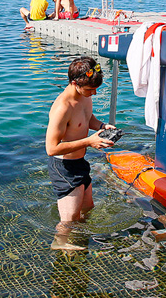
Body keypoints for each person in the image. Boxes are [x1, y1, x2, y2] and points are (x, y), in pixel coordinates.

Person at [45, 56, 117, 250]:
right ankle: (59, 246)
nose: (93, 94)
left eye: (95, 89)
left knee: (87, 210)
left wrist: (101, 126)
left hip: (80, 163)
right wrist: (89, 141)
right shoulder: (62, 107)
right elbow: (51, 149)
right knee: (69, 220)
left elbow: (87, 117)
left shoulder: (84, 97)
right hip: (64, 168)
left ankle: (79, 238)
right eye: (90, 90)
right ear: (75, 83)